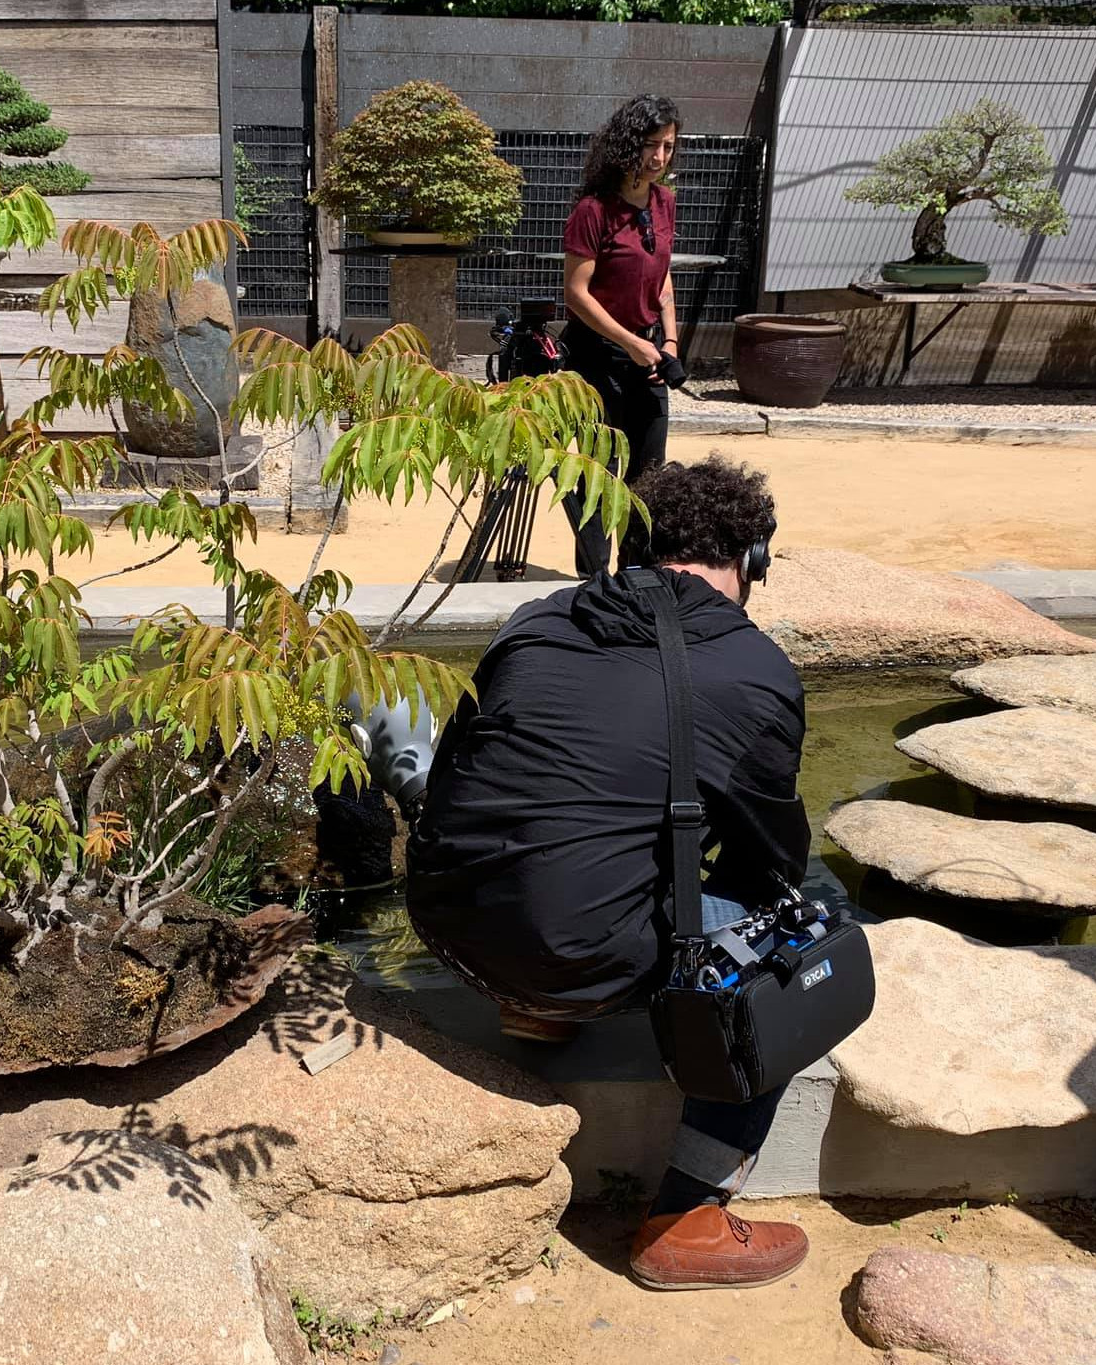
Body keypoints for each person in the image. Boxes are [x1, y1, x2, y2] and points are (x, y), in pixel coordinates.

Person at [403, 457, 812, 1291]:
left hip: (449, 929)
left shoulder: (535, 621)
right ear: (753, 560)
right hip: (582, 955)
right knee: (798, 942)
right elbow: (770, 863)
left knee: (587, 835)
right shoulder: (757, 669)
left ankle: (535, 1012)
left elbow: (472, 780)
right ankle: (688, 1216)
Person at [560, 93, 685, 578]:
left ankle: (638, 579)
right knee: (597, 473)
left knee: (649, 475)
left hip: (649, 353)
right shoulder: (594, 210)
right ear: (627, 144)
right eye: (651, 145)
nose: (659, 158)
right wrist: (631, 343)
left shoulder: (665, 203)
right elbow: (576, 293)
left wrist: (668, 342)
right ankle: (594, 582)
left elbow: (662, 276)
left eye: (669, 147)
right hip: (597, 357)